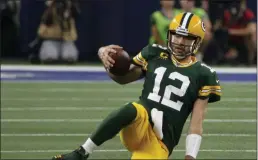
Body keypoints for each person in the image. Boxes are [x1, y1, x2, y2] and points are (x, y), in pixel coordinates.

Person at [51, 12, 221, 160]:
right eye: (177, 35)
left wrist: (190, 157)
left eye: (187, 37)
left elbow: (196, 123)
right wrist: (104, 54)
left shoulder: (204, 74)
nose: (180, 41)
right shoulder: (154, 53)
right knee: (132, 109)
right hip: (139, 125)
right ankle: (82, 153)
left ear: (197, 41)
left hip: (160, 144)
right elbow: (122, 78)